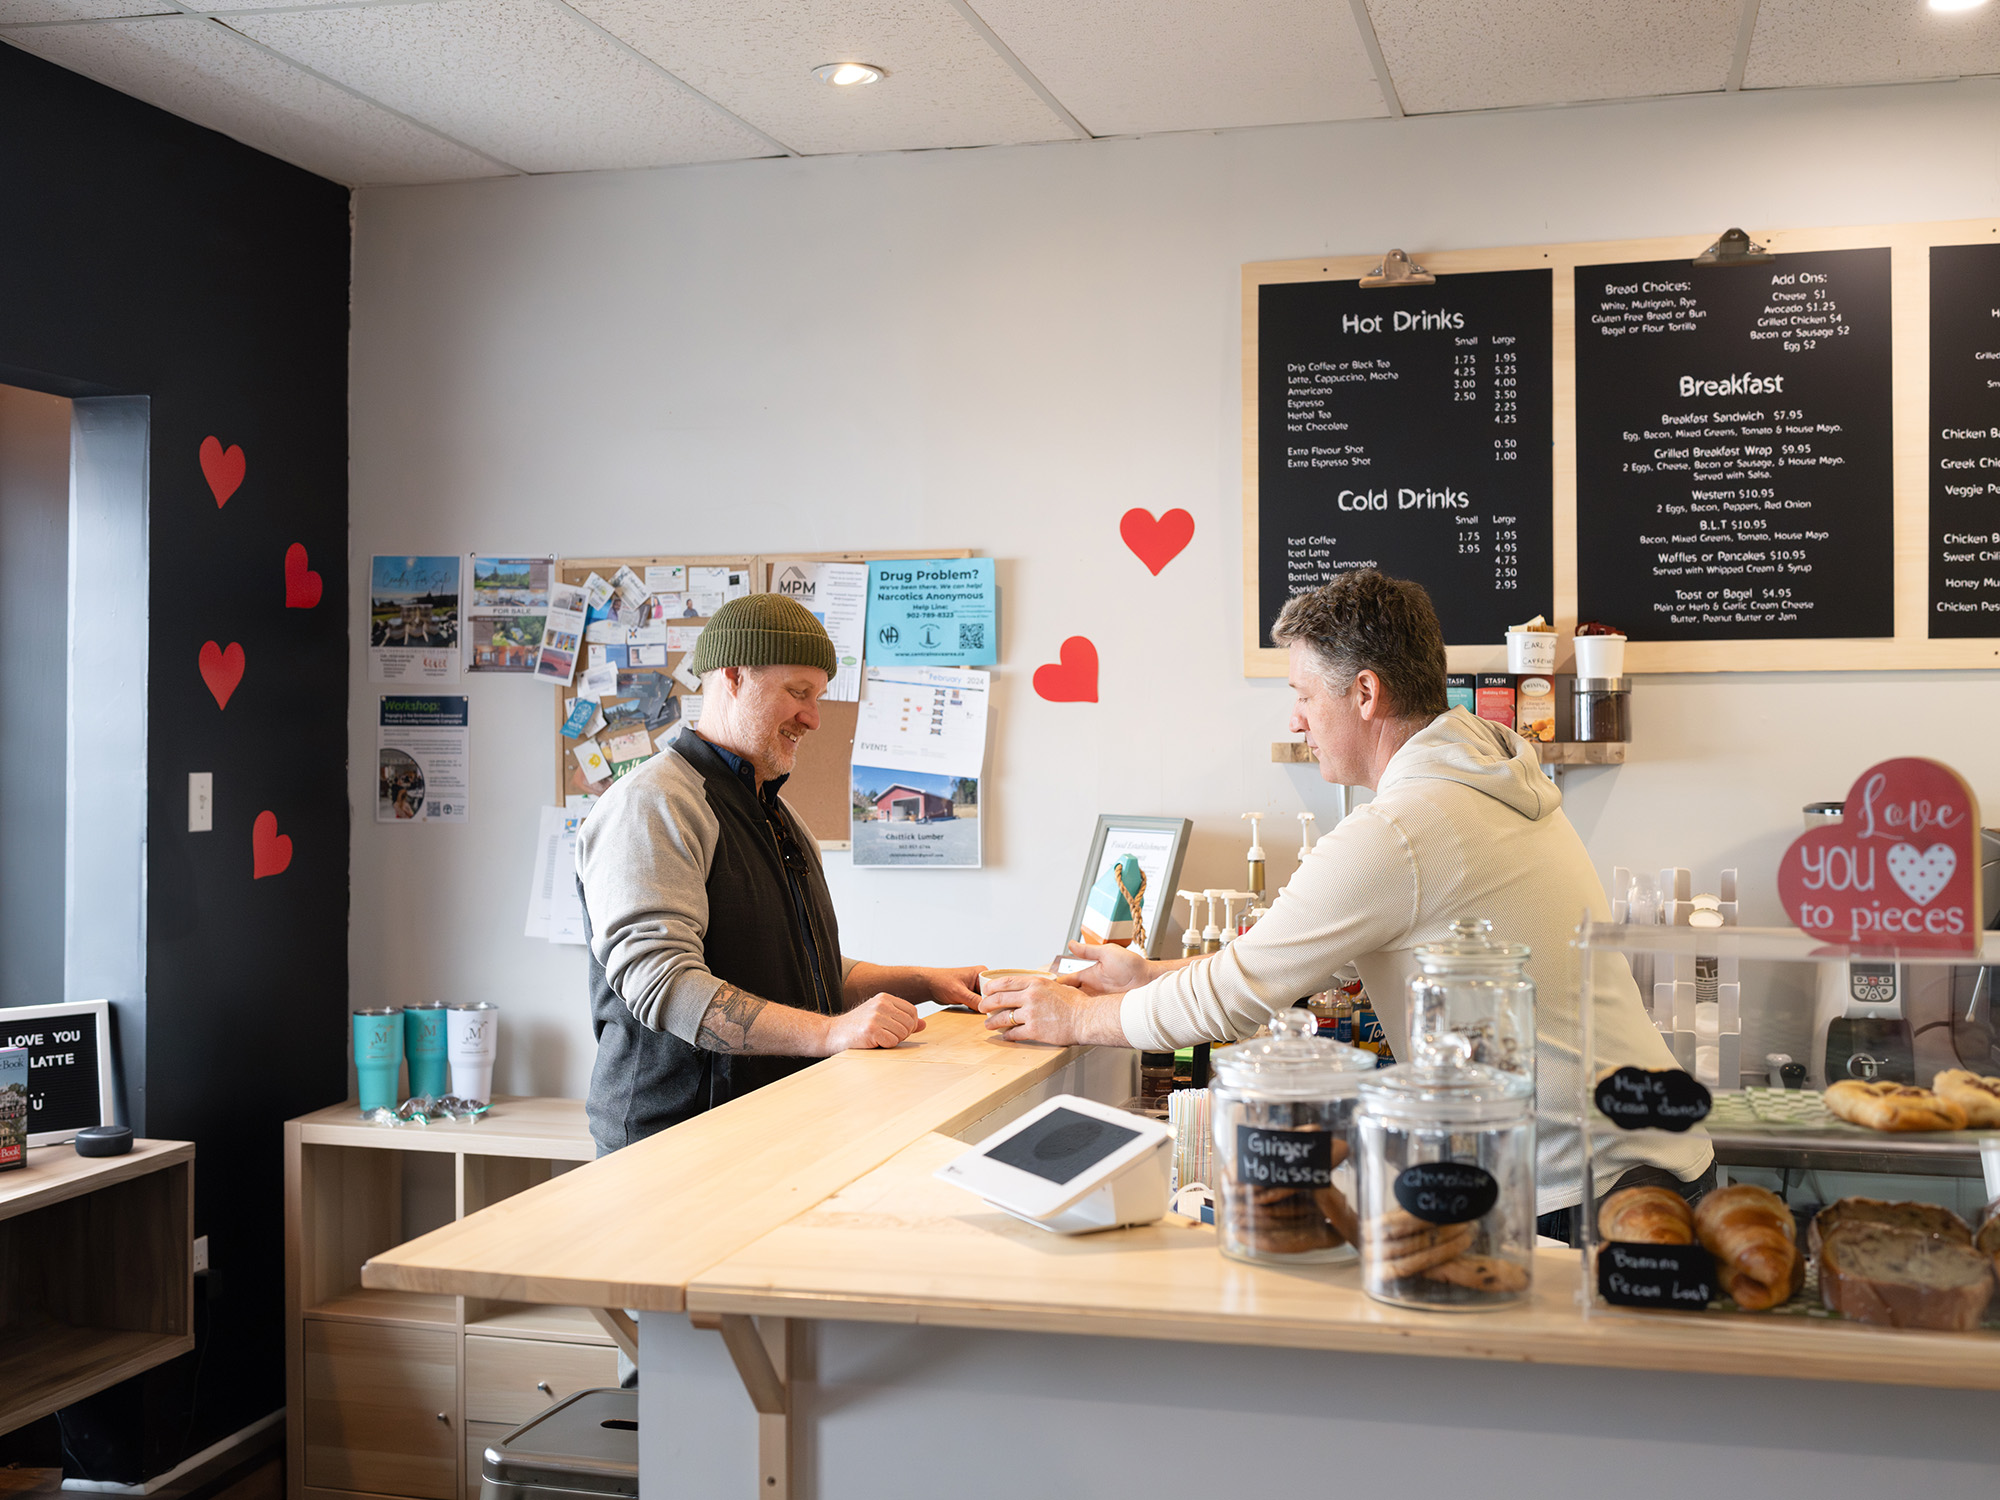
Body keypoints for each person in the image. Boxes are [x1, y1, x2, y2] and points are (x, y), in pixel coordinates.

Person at [977, 571, 1712, 1240]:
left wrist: (1072, 1018)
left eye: (1302, 695)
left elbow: (1231, 1000)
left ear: (1364, 694)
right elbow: (1269, 965)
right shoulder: (1482, 778)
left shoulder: (1405, 830)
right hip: (1647, 1160)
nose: (1295, 719)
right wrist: (1146, 978)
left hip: (1587, 1194)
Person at [576, 593, 984, 1154]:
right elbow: (664, 985)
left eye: (816, 698)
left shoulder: (777, 814)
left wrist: (924, 982)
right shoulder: (653, 804)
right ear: (735, 676)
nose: (813, 718)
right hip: (674, 1149)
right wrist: (831, 1033)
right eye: (798, 693)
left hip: (775, 1129)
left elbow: (796, 967)